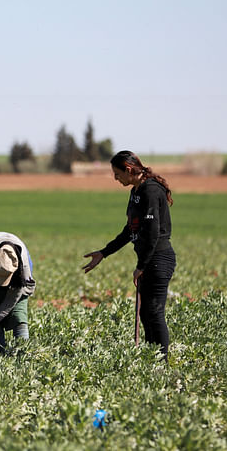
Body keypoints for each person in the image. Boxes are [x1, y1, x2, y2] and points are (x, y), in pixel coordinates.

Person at [82, 150, 175, 357]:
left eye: (117, 174)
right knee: (145, 313)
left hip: (159, 259)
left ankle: (162, 362)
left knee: (154, 313)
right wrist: (104, 253)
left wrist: (141, 266)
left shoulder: (151, 191)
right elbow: (130, 230)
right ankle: (153, 358)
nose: (115, 178)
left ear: (129, 170)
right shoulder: (136, 191)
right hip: (150, 259)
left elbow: (152, 232)